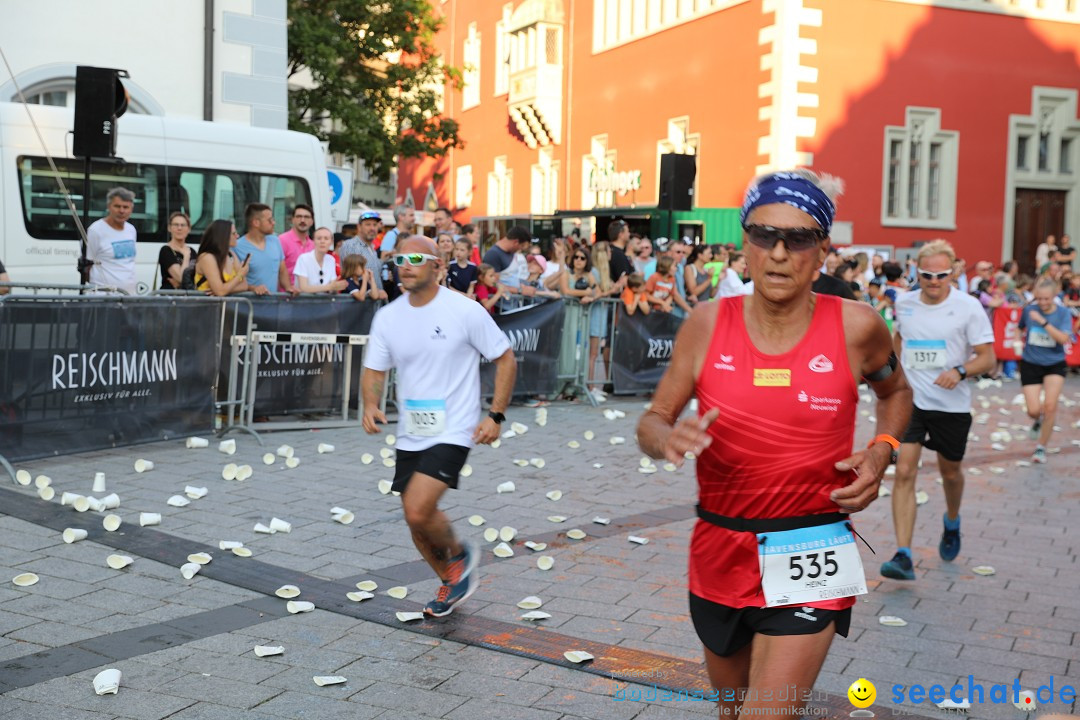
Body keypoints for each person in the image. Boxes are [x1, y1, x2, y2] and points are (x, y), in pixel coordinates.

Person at [636, 169, 911, 720]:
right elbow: (653, 418)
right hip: (720, 546)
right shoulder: (707, 325)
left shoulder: (858, 326)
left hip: (811, 543)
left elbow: (897, 391)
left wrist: (883, 449)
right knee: (732, 711)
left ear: (823, 249)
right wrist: (665, 437)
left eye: (798, 238)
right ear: (745, 244)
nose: (779, 253)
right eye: (764, 236)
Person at [362, 235, 516, 618]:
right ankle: (451, 581)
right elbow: (374, 369)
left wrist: (495, 415)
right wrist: (369, 403)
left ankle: (462, 555)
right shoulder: (389, 316)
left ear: (438, 266)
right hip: (412, 429)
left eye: (416, 257)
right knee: (416, 523)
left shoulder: (464, 311)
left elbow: (505, 357)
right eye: (400, 258)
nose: (406, 264)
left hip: (455, 427)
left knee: (418, 509)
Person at [881, 239, 995, 582]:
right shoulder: (905, 302)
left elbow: (988, 357)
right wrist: (893, 375)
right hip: (912, 401)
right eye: (927, 275)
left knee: (950, 473)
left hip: (952, 405)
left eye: (941, 275)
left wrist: (960, 371)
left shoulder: (968, 307)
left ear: (953, 271)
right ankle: (903, 555)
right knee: (903, 472)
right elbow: (899, 341)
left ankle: (952, 519)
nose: (933, 281)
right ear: (917, 271)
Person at [1019, 278, 1074, 463]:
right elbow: (1019, 328)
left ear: (1054, 297)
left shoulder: (1063, 313)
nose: (1042, 303)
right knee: (1033, 410)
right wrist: (1016, 341)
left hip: (1055, 363)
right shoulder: (1028, 310)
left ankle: (1041, 447)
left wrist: (1043, 322)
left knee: (1050, 406)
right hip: (1031, 363)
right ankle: (1038, 419)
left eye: (1046, 299)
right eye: (1039, 299)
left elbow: (1063, 339)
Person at [235, 203, 295, 295]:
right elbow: (234, 280)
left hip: (272, 304)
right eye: (270, 220)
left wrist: (289, 288)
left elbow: (282, 270)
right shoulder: (237, 247)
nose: (273, 223)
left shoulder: (275, 240)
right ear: (256, 223)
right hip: (248, 306)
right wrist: (253, 288)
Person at [86, 187, 138, 294]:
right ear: (109, 206)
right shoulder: (95, 230)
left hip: (128, 295)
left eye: (126, 207)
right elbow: (87, 265)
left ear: (131, 209)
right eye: (117, 206)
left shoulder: (131, 230)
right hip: (103, 296)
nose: (121, 211)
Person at [340, 211, 388, 300]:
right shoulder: (350, 245)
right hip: (359, 306)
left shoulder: (373, 248)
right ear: (359, 227)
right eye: (368, 224)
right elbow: (351, 275)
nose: (372, 228)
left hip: (374, 305)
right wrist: (375, 291)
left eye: (375, 225)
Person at [194, 220, 250, 296]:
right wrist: (240, 275)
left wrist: (225, 289)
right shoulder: (207, 257)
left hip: (226, 306)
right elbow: (220, 292)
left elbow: (244, 286)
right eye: (234, 233)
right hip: (207, 306)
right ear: (223, 236)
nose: (237, 236)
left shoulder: (231, 255)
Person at [294, 227, 348, 294]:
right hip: (304, 302)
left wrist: (337, 286)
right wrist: (330, 287)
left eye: (326, 238)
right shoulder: (303, 258)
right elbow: (303, 288)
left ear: (331, 242)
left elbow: (332, 286)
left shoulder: (331, 260)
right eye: (319, 238)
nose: (322, 241)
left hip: (325, 302)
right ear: (313, 241)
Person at [482, 226, 530, 294]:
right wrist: (519, 291)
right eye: (521, 246)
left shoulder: (512, 253)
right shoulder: (493, 254)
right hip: (500, 302)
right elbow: (493, 283)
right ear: (516, 242)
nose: (520, 250)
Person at [158, 211, 196, 290]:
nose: (179, 228)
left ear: (189, 229)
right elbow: (181, 278)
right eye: (176, 225)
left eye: (183, 225)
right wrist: (186, 257)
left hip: (188, 298)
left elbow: (197, 277)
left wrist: (180, 284)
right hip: (170, 298)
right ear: (169, 228)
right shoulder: (166, 250)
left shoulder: (192, 251)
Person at [279, 204, 315, 279]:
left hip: (309, 289)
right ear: (292, 220)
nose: (302, 220)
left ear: (312, 222)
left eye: (306, 217)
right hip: (286, 290)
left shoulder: (314, 245)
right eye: (299, 216)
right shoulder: (282, 240)